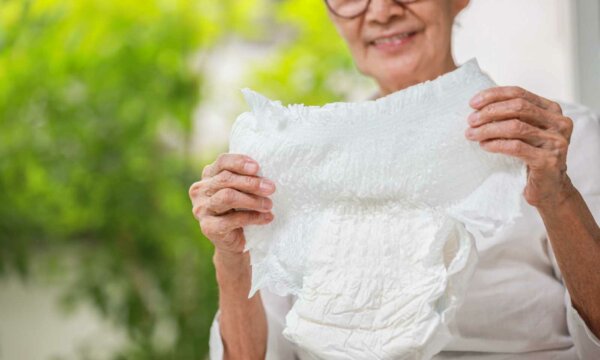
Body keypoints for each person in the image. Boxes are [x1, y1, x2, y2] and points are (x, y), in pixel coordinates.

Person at [188, 0, 600, 358]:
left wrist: (558, 195)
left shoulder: (552, 143)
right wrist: (233, 257)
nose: (382, 11)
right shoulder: (301, 159)